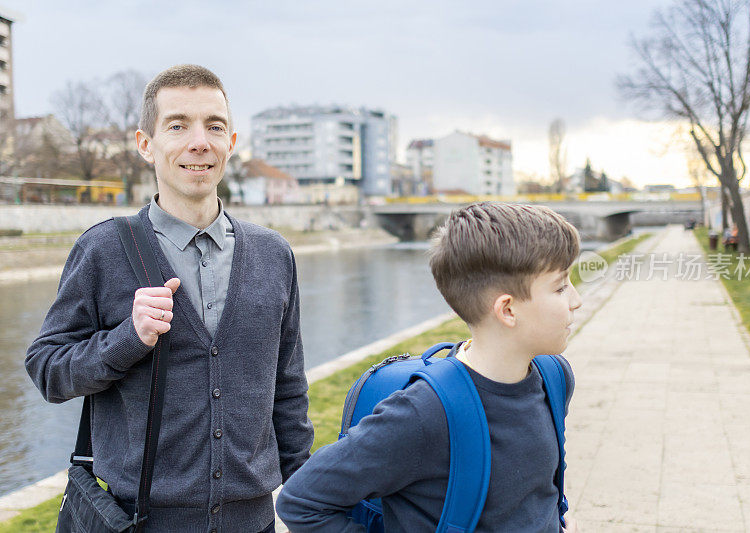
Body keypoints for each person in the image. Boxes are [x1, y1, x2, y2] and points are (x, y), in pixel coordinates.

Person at [26, 64, 313, 533]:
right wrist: (127, 338)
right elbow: (47, 369)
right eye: (177, 125)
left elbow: (289, 387)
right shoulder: (102, 250)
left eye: (214, 126)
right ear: (146, 145)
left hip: (256, 522)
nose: (199, 141)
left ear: (231, 143)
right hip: (140, 522)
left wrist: (305, 500)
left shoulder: (273, 254)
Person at [276, 202, 582, 532]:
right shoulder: (422, 414)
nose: (576, 299)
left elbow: (535, 493)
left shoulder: (555, 377)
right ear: (507, 310)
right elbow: (302, 501)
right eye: (561, 286)